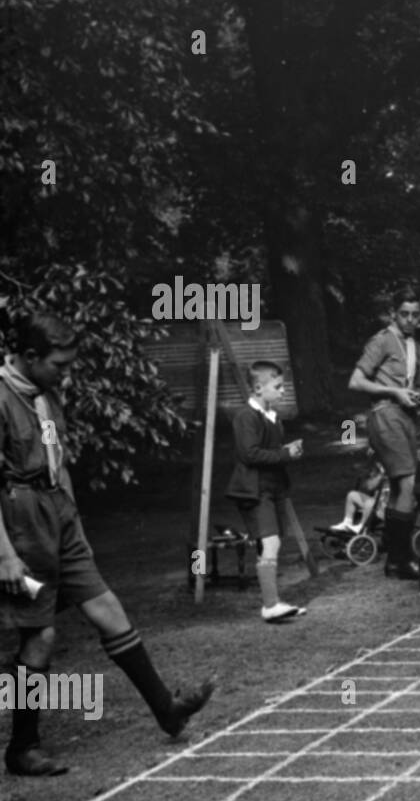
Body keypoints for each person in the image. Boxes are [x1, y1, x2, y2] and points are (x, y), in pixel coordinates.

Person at [0, 311, 213, 776]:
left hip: (59, 513)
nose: (67, 373)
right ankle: (23, 747)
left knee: (109, 610)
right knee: (41, 634)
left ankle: (167, 709)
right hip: (20, 522)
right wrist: (5, 553)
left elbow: (57, 458)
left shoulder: (46, 393)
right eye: (59, 364)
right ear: (29, 356)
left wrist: (72, 521)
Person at [348, 296, 420, 579]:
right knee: (408, 483)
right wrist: (394, 392)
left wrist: (414, 396)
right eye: (404, 314)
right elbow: (355, 381)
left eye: (415, 314)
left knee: (398, 488)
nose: (410, 319)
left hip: (406, 417)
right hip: (384, 414)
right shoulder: (381, 340)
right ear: (394, 314)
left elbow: (411, 384)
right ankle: (402, 557)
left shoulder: (415, 346)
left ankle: (396, 559)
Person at [225, 361, 308, 622]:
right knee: (271, 542)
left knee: (269, 544)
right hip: (254, 489)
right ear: (258, 388)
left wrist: (288, 450)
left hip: (272, 488)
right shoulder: (245, 417)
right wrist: (284, 453)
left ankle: (272, 601)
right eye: (278, 386)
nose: (283, 391)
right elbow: (249, 454)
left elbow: (270, 451)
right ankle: (270, 606)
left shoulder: (272, 417)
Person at [333, 457, 385, 533]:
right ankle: (347, 522)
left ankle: (362, 526)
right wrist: (378, 475)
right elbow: (369, 487)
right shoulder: (379, 474)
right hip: (376, 504)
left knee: (370, 502)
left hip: (385, 509)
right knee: (351, 495)